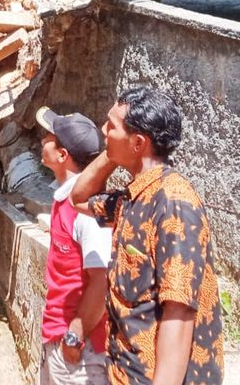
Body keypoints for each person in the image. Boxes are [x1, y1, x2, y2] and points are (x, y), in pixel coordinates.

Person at [69, 86, 223, 385]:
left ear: (139, 142)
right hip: (124, 373)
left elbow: (179, 312)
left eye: (111, 126)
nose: (103, 130)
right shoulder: (132, 198)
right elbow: (79, 198)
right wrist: (114, 151)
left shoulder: (173, 203)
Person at [35, 106, 113, 385]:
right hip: (59, 338)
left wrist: (74, 336)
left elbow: (102, 281)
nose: (43, 139)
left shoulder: (88, 211)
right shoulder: (65, 199)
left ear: (62, 155)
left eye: (49, 137)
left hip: (80, 352)